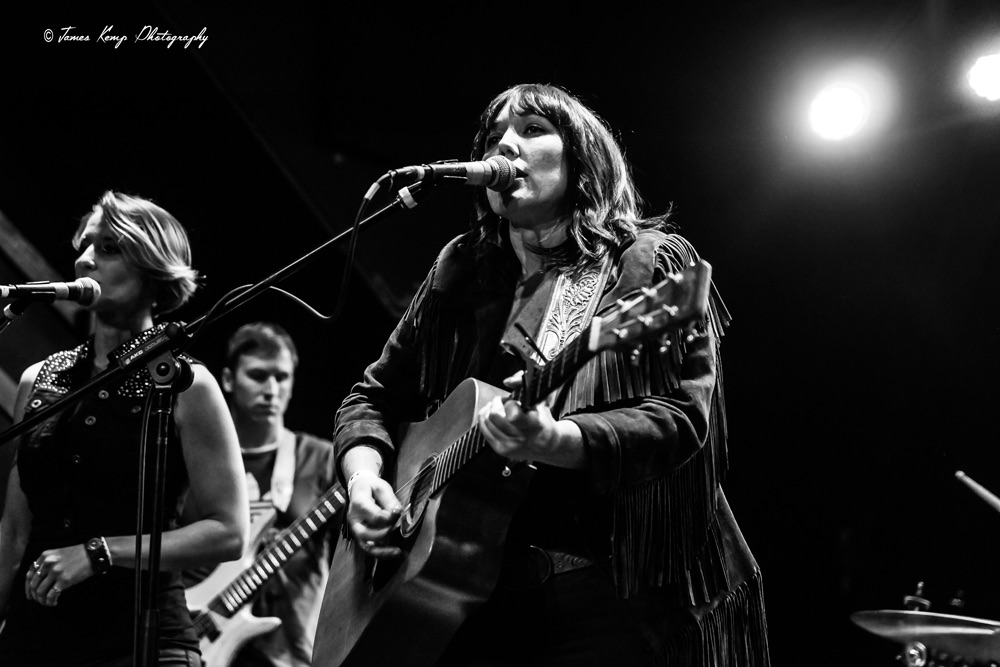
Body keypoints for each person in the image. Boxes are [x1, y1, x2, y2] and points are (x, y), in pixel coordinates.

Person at [330, 83, 771, 666]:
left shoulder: (644, 264)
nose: (505, 145)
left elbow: (680, 418)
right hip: (475, 595)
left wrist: (557, 440)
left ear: (582, 157)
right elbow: (373, 397)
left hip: (611, 589)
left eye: (533, 129)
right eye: (494, 136)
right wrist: (362, 480)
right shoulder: (462, 269)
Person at [0, 191, 250, 666]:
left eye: (109, 248)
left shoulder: (186, 383)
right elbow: (14, 532)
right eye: (85, 245)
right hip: (34, 641)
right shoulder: (39, 379)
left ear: (154, 271)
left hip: (143, 643)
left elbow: (229, 532)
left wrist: (100, 552)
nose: (85, 259)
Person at [215, 322, 336, 666]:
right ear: (228, 380)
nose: (271, 389)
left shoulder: (322, 459)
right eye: (257, 375)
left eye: (281, 377)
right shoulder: (205, 458)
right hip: (202, 640)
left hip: (287, 654)